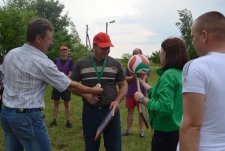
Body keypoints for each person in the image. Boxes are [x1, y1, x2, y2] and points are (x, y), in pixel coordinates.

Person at [0, 18, 103, 151]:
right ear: (38, 38)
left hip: (7, 114)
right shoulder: (42, 62)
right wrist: (93, 90)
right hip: (27, 118)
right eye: (49, 39)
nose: (51, 42)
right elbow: (69, 85)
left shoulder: (11, 54)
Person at [72, 32, 127, 151]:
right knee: (91, 147)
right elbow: (71, 86)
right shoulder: (81, 63)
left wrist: (117, 101)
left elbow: (123, 85)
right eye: (103, 48)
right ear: (94, 46)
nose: (106, 50)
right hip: (90, 112)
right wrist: (86, 95)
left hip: (111, 112)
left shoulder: (115, 64)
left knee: (114, 147)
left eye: (108, 48)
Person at [179, 11, 225, 151]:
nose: (192, 42)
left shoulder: (197, 66)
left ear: (204, 36)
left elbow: (193, 125)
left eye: (193, 37)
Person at [134, 37, 188, 151]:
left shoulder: (168, 75)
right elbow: (164, 94)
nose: (160, 55)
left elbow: (164, 107)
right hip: (178, 130)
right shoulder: (181, 73)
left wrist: (142, 99)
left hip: (165, 134)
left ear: (168, 54)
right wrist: (144, 84)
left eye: (161, 52)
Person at [122, 48, 149, 138]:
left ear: (141, 54)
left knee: (141, 113)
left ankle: (141, 131)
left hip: (141, 93)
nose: (135, 54)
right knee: (130, 112)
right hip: (130, 93)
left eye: (137, 53)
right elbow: (125, 78)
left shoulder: (145, 65)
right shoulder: (129, 66)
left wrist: (140, 76)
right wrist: (132, 76)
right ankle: (128, 130)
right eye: (134, 53)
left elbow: (145, 78)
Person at [49, 45, 74, 128]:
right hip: (56, 84)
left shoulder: (71, 61)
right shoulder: (56, 60)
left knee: (66, 104)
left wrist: (64, 80)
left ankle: (68, 121)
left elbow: (71, 73)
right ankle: (54, 120)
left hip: (66, 85)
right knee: (56, 103)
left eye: (66, 51)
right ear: (60, 52)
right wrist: (59, 81)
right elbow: (53, 71)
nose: (64, 52)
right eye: (63, 51)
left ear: (67, 52)